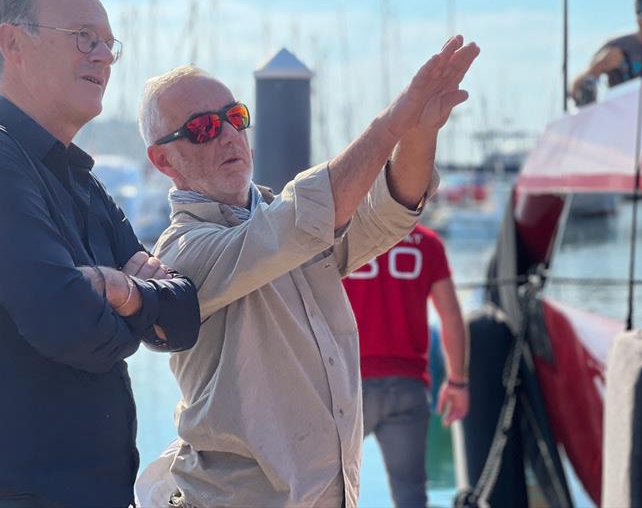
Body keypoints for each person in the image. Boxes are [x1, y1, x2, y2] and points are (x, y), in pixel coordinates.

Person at [133, 35, 480, 508]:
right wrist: (394, 120)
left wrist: (420, 131)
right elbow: (302, 221)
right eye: (203, 128)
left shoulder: (282, 222)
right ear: (163, 160)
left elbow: (387, 213)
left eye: (235, 118)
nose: (229, 135)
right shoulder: (181, 254)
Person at [0, 0, 201, 508]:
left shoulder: (83, 182)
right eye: (83, 37)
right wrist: (139, 305)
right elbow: (70, 329)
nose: (103, 56)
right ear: (13, 42)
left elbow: (185, 318)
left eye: (107, 44)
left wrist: (119, 292)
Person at [342, 223, 468, 508]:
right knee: (410, 495)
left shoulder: (341, 236)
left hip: (346, 388)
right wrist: (458, 381)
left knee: (328, 491)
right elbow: (450, 316)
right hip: (406, 386)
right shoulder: (427, 243)